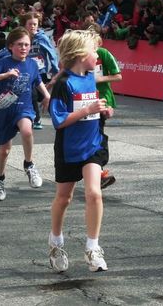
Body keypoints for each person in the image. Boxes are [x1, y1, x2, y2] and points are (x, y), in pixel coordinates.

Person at [47, 29, 113, 273]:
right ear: (79, 54)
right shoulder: (63, 83)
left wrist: (101, 112)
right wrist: (87, 111)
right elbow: (59, 120)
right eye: (93, 50)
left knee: (94, 193)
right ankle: (55, 242)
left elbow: (89, 109)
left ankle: (92, 248)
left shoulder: (90, 77)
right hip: (68, 148)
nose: (97, 54)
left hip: (93, 145)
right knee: (64, 199)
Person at [0, 27, 51, 201]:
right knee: (4, 150)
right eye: (20, 45)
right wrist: (5, 75)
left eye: (27, 45)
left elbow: (38, 81)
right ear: (11, 46)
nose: (24, 48)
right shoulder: (3, 62)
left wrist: (47, 96)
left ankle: (29, 164)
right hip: (5, 110)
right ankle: (0, 179)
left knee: (27, 131)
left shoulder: (32, 64)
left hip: (24, 107)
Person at [91, 24, 121, 189]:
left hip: (102, 99)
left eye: (93, 43)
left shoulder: (103, 54)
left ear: (99, 42)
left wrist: (97, 80)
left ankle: (98, 172)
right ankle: (95, 172)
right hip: (85, 101)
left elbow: (118, 76)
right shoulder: (81, 55)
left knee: (97, 132)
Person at [20, 12, 60, 130]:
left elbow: (51, 53)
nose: (32, 26)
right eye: (30, 24)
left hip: (40, 71)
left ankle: (57, 114)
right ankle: (36, 119)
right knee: (31, 94)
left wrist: (55, 70)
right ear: (24, 25)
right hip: (26, 72)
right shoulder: (21, 37)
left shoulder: (42, 37)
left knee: (40, 97)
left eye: (35, 24)